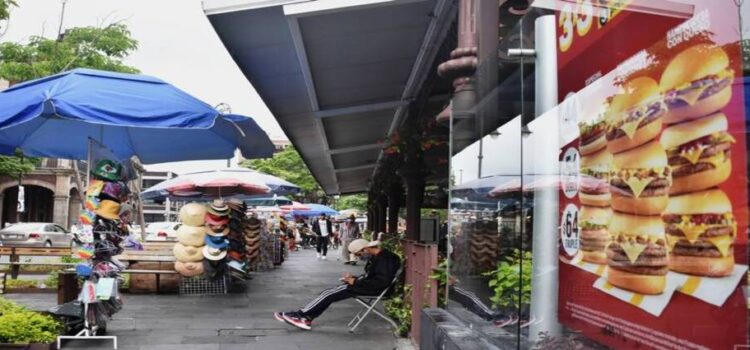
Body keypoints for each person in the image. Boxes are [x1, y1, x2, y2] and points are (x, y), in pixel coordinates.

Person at [274, 239, 401, 330]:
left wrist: (355, 282)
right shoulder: (380, 257)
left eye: (359, 254)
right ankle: (305, 317)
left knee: (330, 293)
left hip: (375, 289)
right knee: (329, 293)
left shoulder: (386, 259)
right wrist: (354, 279)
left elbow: (381, 282)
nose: (359, 257)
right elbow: (374, 277)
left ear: (366, 249)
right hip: (369, 287)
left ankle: (302, 316)